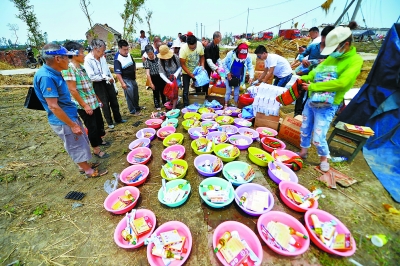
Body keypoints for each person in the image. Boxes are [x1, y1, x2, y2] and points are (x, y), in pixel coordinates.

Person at [34, 43, 108, 177]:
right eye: (66, 57)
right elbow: (53, 106)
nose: (68, 60)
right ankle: (88, 171)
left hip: (69, 114)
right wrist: (72, 125)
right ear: (57, 58)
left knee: (79, 141)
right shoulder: (46, 77)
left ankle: (84, 165)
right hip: (64, 120)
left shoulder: (54, 73)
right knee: (74, 145)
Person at [297, 22, 363, 172]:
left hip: (328, 105)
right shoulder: (331, 57)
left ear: (345, 44)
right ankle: (303, 152)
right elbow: (316, 72)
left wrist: (314, 86)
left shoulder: (355, 61)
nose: (330, 52)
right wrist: (304, 77)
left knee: (319, 136)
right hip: (312, 100)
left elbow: (342, 83)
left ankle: (324, 158)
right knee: (305, 127)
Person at [62, 41, 110, 159]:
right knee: (92, 127)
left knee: (99, 124)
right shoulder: (69, 69)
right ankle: (96, 149)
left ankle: (99, 140)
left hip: (93, 102)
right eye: (82, 52)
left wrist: (97, 99)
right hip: (85, 105)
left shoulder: (81, 68)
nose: (84, 55)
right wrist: (85, 106)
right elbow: (73, 90)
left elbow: (89, 86)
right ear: (73, 54)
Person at [84, 39, 126, 129]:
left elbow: (107, 71)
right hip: (98, 84)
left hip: (108, 81)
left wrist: (113, 83)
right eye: (102, 51)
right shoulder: (88, 60)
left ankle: (118, 118)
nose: (104, 53)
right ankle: (109, 122)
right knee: (104, 103)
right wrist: (105, 77)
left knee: (114, 101)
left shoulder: (102, 58)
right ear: (95, 49)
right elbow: (92, 77)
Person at [294, 26, 335, 116]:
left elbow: (335, 64)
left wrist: (326, 62)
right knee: (301, 92)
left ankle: (305, 112)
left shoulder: (333, 50)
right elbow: (302, 55)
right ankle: (297, 112)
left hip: (321, 77)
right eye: (324, 37)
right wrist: (303, 60)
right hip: (308, 73)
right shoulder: (313, 47)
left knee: (312, 95)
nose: (325, 40)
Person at [222, 39, 254, 107]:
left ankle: (236, 105)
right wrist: (228, 73)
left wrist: (251, 77)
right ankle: (226, 105)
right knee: (228, 91)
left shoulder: (248, 57)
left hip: (238, 77)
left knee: (236, 92)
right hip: (229, 76)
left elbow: (250, 67)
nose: (242, 58)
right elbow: (224, 63)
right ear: (237, 51)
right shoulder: (230, 54)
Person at [114, 40, 141, 116]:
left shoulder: (129, 55)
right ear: (119, 48)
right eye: (124, 50)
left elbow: (133, 64)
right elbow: (117, 73)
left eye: (127, 49)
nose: (126, 51)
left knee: (135, 93)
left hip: (132, 78)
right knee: (130, 95)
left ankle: (137, 107)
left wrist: (134, 73)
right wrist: (122, 83)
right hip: (125, 79)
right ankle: (133, 110)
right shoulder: (117, 58)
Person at [179, 32, 207, 107]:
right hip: (186, 71)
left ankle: (198, 104)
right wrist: (190, 74)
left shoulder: (200, 45)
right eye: (191, 48)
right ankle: (186, 105)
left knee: (198, 87)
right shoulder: (183, 49)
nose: (192, 49)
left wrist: (202, 66)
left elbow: (202, 56)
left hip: (196, 70)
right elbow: (182, 64)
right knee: (186, 90)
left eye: (194, 48)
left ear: (196, 44)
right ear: (187, 44)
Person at [144, 45, 167, 110]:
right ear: (146, 54)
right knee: (155, 91)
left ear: (154, 52)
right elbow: (148, 74)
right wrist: (151, 83)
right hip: (153, 78)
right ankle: (157, 104)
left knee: (163, 90)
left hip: (161, 76)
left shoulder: (158, 58)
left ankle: (164, 102)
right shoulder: (146, 62)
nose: (150, 55)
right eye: (149, 54)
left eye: (151, 54)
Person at [159, 44, 182, 109]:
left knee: (175, 92)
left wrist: (175, 74)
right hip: (167, 78)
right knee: (169, 92)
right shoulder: (160, 60)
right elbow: (161, 73)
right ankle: (171, 103)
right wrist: (169, 82)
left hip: (176, 77)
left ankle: (173, 107)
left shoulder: (175, 57)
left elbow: (180, 66)